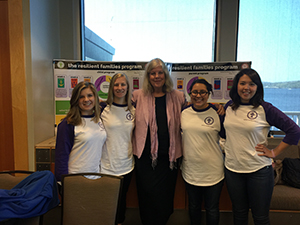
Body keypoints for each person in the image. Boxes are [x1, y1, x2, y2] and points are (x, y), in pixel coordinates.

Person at [222, 68, 300, 225]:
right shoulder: (229, 107)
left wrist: (273, 152)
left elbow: (294, 131)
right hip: (233, 170)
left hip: (258, 171)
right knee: (239, 214)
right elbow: (224, 134)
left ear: (258, 87)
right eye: (242, 83)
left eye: (252, 84)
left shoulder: (265, 108)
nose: (246, 87)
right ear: (236, 85)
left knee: (260, 218)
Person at [132, 58, 186, 225]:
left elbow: (194, 111)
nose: (156, 76)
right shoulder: (137, 96)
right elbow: (120, 110)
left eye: (160, 72)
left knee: (164, 197)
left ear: (165, 74)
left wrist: (216, 108)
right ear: (148, 76)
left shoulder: (177, 96)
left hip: (168, 159)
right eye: (153, 73)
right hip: (144, 158)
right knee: (146, 196)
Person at [181, 79, 225, 225]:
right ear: (190, 93)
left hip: (213, 171)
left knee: (212, 208)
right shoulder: (183, 112)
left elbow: (228, 139)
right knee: (193, 207)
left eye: (202, 92)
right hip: (191, 170)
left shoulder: (218, 113)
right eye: (194, 92)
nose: (198, 95)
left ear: (209, 94)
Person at [100, 73, 135, 225]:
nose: (120, 88)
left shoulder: (133, 110)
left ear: (128, 87)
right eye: (116, 85)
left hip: (127, 164)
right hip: (106, 165)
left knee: (121, 200)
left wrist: (216, 107)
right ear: (111, 87)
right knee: (107, 201)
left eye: (123, 85)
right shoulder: (102, 108)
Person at [55, 81, 106, 182]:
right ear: (76, 100)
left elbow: (108, 105)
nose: (86, 99)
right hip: (75, 179)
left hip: (96, 177)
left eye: (90, 95)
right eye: (81, 97)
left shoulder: (99, 118)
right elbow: (61, 157)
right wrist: (62, 182)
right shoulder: (68, 124)